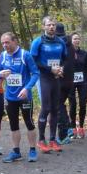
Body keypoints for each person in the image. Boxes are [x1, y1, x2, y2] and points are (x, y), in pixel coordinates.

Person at [0, 32, 40, 163]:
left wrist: (27, 88)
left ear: (15, 41)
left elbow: (35, 73)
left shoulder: (25, 55)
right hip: (10, 97)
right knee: (13, 124)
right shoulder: (3, 56)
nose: (5, 45)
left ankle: (32, 149)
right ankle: (16, 151)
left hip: (24, 96)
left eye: (7, 42)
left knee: (29, 122)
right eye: (3, 43)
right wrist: (0, 74)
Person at [30, 16, 67, 153]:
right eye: (49, 25)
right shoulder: (38, 42)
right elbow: (33, 61)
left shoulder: (60, 42)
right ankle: (41, 140)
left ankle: (52, 139)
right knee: (45, 107)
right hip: (43, 77)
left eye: (53, 25)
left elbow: (64, 58)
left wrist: (61, 68)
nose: (51, 27)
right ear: (43, 26)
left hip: (56, 77)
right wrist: (50, 69)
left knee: (55, 108)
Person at [68, 33, 87, 139]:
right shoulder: (66, 53)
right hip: (70, 82)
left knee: (83, 104)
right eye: (75, 39)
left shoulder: (84, 54)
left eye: (78, 38)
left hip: (82, 82)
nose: (77, 40)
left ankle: (81, 127)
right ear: (71, 41)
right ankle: (73, 127)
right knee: (72, 104)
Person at [55, 23, 75, 144]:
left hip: (60, 79)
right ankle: (68, 128)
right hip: (69, 80)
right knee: (61, 104)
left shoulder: (58, 44)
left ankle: (63, 135)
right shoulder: (70, 45)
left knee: (58, 105)